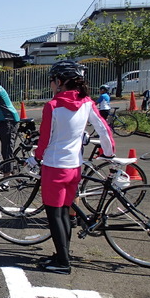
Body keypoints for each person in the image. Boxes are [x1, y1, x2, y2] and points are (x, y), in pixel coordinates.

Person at [28, 61, 115, 274]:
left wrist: (35, 158)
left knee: (55, 215)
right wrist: (109, 152)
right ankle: (62, 254)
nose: (50, 84)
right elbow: (103, 129)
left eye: (51, 80)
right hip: (75, 167)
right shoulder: (86, 102)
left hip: (54, 167)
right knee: (66, 214)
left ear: (59, 82)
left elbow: (45, 140)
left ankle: (62, 263)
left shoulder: (53, 106)